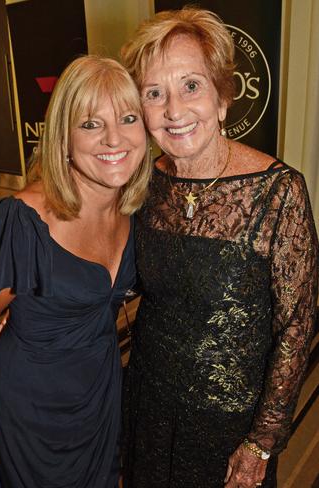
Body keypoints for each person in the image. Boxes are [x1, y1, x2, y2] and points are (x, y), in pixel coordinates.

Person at [120, 7, 318, 488]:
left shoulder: (279, 192)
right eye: (154, 93)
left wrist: (262, 441)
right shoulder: (143, 183)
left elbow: (298, 325)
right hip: (148, 400)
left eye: (191, 85)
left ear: (223, 97)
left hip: (229, 425)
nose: (173, 109)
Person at [0, 55, 151, 488]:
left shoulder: (135, 208)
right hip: (31, 402)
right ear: (63, 137)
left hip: (100, 387)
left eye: (127, 118)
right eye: (90, 124)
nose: (113, 138)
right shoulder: (22, 219)